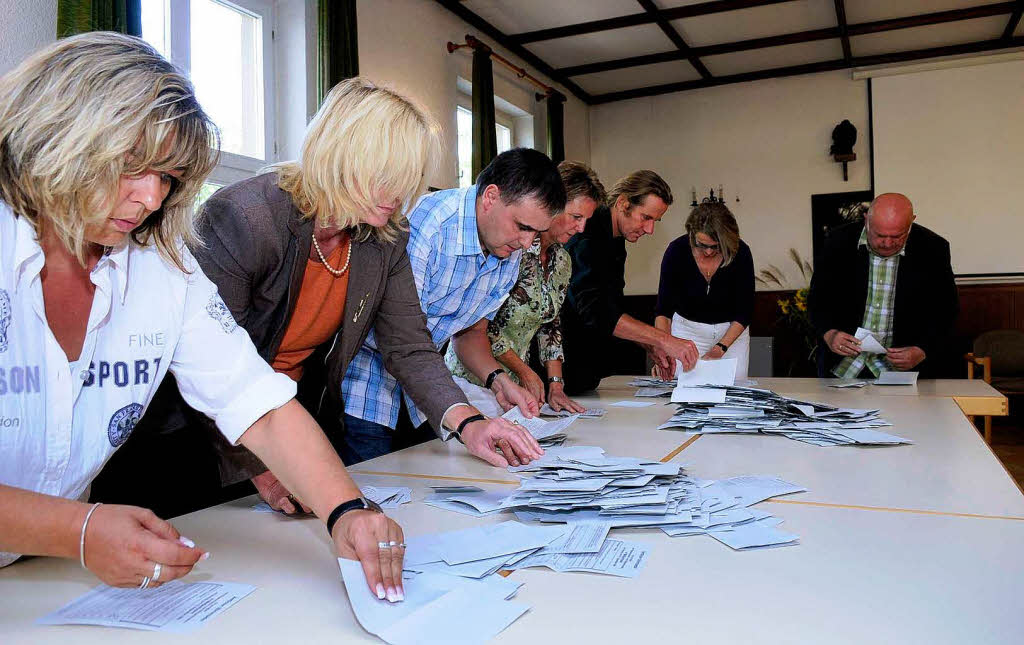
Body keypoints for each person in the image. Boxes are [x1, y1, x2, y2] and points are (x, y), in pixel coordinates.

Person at [0, 33, 405, 602]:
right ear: (60, 135)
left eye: (166, 177)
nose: (150, 197)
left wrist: (346, 510)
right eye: (131, 165)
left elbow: (253, 402)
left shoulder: (163, 267)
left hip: (31, 574)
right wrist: (80, 529)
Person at [114, 78, 542, 517]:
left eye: (407, 180)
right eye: (387, 177)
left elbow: (409, 345)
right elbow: (213, 368)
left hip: (288, 419)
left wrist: (469, 424)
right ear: (343, 156)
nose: (398, 197)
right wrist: (263, 464)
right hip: (198, 435)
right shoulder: (246, 217)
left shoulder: (384, 238)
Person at [342, 148, 565, 460]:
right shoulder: (429, 225)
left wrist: (498, 380)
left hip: (425, 395)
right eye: (523, 226)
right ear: (490, 197)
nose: (527, 243)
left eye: (536, 233)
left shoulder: (509, 249)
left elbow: (471, 332)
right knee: (370, 491)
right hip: (370, 386)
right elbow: (402, 339)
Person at [445, 161, 605, 413]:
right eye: (576, 217)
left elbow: (550, 324)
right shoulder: (509, 247)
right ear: (552, 206)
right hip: (471, 381)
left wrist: (556, 384)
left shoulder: (562, 261)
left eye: (586, 220)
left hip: (517, 386)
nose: (581, 227)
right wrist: (525, 372)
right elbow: (481, 327)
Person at [560, 170, 699, 394]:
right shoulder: (588, 235)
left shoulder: (616, 240)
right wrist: (664, 340)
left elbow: (613, 307)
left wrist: (650, 344)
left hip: (587, 371)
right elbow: (596, 311)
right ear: (624, 203)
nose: (650, 229)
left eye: (655, 220)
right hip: (563, 368)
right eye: (646, 217)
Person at [809, 192, 958, 378]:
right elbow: (818, 300)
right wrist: (830, 334)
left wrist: (922, 350)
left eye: (897, 236)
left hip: (904, 372)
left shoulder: (934, 248)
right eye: (879, 235)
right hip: (842, 367)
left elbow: (946, 311)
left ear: (912, 222)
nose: (887, 244)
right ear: (866, 221)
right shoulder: (837, 242)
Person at [654, 201, 755, 379]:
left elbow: (745, 311)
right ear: (691, 234)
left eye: (715, 246)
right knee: (683, 390)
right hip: (687, 333)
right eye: (701, 244)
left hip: (731, 335)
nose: (708, 252)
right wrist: (664, 348)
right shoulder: (676, 251)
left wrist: (721, 348)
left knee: (733, 392)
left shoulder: (741, 252)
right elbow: (664, 310)